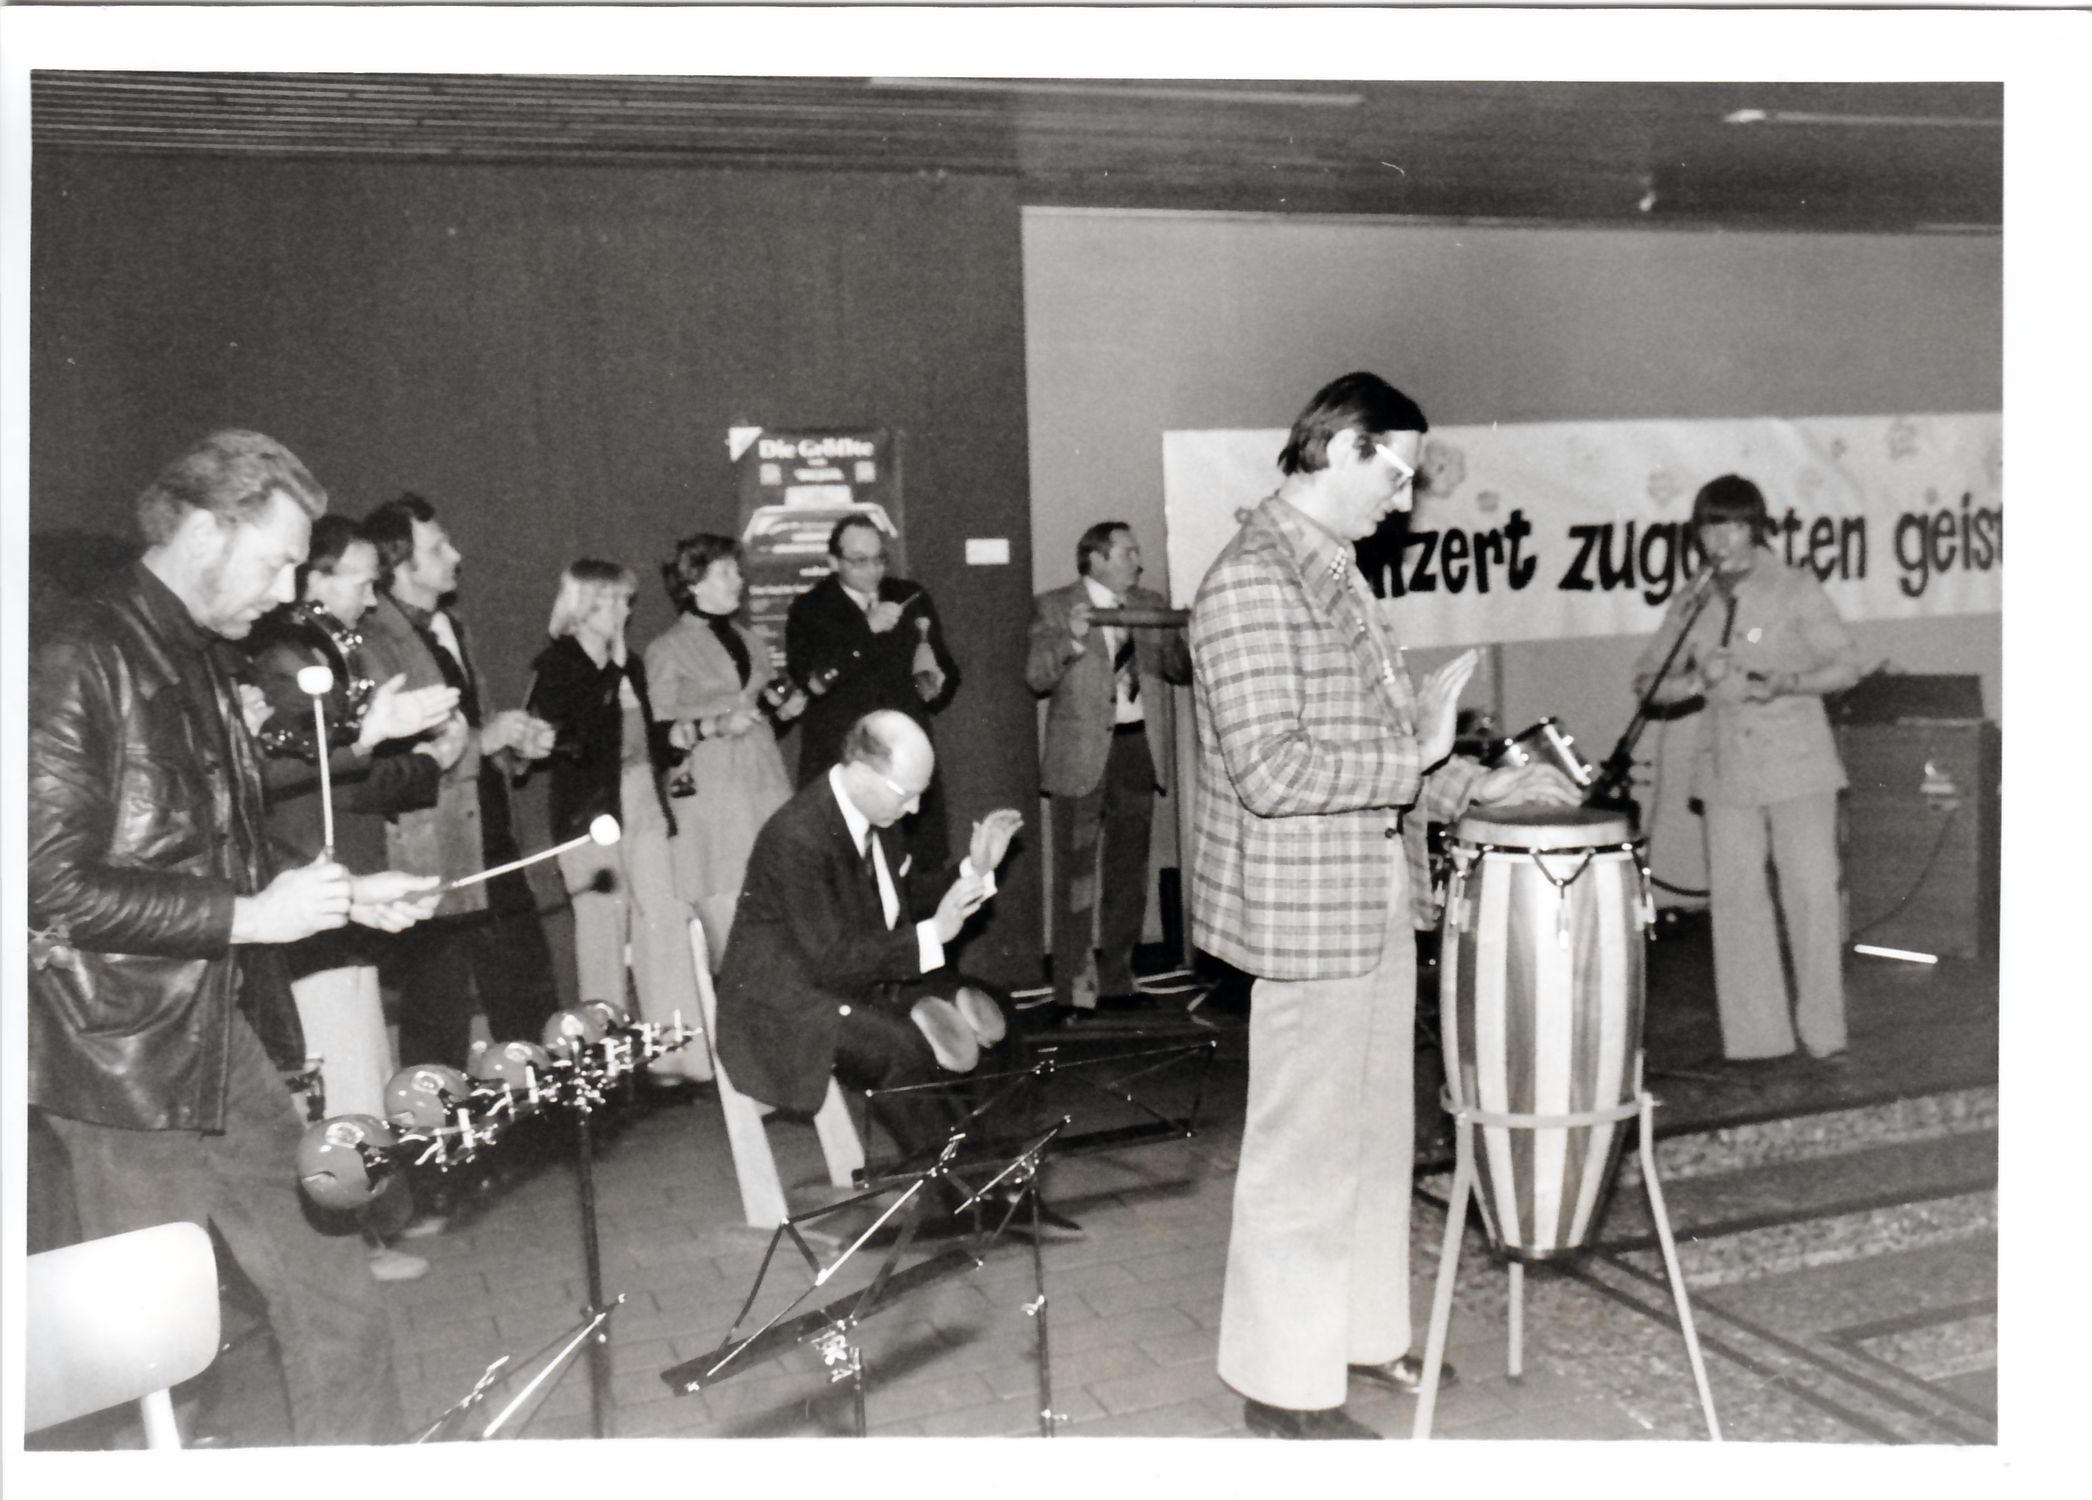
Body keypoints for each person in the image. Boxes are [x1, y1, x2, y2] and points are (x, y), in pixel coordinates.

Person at [27, 429, 442, 1446]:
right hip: (118, 1067)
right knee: (148, 1367)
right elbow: (45, 883)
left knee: (337, 1301)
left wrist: (343, 896)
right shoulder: (78, 655)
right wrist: (253, 917)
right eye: (276, 562)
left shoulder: (205, 658)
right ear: (207, 532)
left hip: (220, 1036)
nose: (288, 592)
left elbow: (214, 846)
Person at [1188, 373, 1577, 1439]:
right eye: (1396, 475)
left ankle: (1359, 1338)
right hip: (1306, 914)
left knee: (1368, 1142)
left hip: (1370, 897)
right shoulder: (1251, 582)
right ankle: (1282, 1387)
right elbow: (1273, 770)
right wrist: (1418, 757)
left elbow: (1390, 753)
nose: (1404, 500)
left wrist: (1475, 786)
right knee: (1302, 1153)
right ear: (1340, 447)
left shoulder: (1336, 572)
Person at [245, 512, 464, 1280]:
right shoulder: (282, 663)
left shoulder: (310, 654)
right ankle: (355, 1243)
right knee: (338, 1077)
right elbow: (316, 781)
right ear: (314, 578)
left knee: (357, 1065)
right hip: (310, 883)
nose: (371, 600)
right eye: (361, 582)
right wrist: (408, 755)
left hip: (343, 882)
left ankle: (370, 1232)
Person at [714, 710, 1035, 1215]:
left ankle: (1000, 1168)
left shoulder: (877, 816)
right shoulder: (798, 835)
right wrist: (933, 935)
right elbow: (830, 960)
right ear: (862, 772)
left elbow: (897, 902)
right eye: (906, 794)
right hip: (788, 1004)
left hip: (853, 977)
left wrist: (974, 869)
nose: (914, 809)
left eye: (920, 795)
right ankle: (954, 1192)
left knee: (993, 1008)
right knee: (899, 1046)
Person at [1633, 474, 1862, 1066]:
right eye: (1711, 527)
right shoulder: (1691, 600)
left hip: (1798, 763)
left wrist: (1786, 682)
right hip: (1727, 766)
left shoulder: (1794, 586)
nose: (1721, 539)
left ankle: (1824, 1031)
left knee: (1811, 894)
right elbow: (1649, 684)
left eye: (1733, 525)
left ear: (1754, 528)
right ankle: (1759, 1039)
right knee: (1737, 903)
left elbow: (1845, 667)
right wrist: (1696, 681)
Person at [358, 493, 559, 1075]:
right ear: (399, 564)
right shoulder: (372, 640)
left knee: (526, 997)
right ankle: (435, 1131)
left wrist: (513, 746)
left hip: (492, 836)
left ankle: (541, 1118)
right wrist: (482, 740)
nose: (456, 555)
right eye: (438, 547)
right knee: (437, 1013)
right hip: (430, 849)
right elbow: (390, 756)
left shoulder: (453, 626)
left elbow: (476, 723)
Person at [527, 559, 709, 1085]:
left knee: (664, 921)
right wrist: (607, 684)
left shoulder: (631, 666)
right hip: (590, 811)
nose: (624, 611)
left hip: (643, 798)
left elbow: (645, 741)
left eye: (626, 600)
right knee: (601, 933)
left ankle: (676, 1057)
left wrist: (674, 739)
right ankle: (605, 1068)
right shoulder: (559, 666)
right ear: (584, 605)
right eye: (612, 600)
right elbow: (554, 743)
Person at [1027, 521, 1192, 1016]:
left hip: (1137, 751)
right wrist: (1072, 639)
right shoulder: (1054, 606)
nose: (1138, 561)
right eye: (1127, 553)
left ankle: (1119, 981)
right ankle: (1073, 991)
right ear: (1096, 558)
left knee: (1128, 875)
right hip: (1080, 758)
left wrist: (1185, 634)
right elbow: (1036, 677)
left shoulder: (1150, 603)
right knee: (1076, 878)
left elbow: (1178, 672)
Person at [644, 533, 803, 979]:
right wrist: (714, 724)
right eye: (726, 572)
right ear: (693, 583)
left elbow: (760, 719)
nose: (739, 580)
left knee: (782, 936)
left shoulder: (751, 641)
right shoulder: (666, 649)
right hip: (713, 808)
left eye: (738, 570)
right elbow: (659, 739)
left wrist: (784, 712)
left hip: (764, 791)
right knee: (734, 947)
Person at [785, 516, 960, 867]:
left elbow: (944, 669)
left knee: (917, 871)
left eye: (880, 559)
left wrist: (935, 684)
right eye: (859, 561)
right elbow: (813, 681)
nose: (873, 570)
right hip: (844, 761)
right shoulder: (809, 609)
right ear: (833, 562)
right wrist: (866, 630)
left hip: (904, 759)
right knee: (843, 871)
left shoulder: (910, 596)